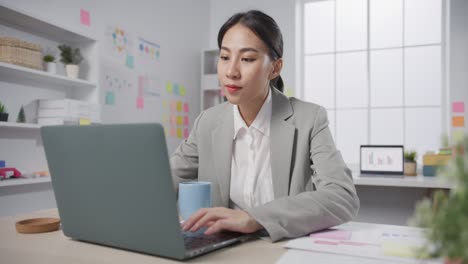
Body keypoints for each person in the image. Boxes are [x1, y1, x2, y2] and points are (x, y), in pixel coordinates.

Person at [171, 10, 359, 242]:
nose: (231, 71)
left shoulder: (309, 118)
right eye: (225, 57)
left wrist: (254, 218)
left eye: (247, 59)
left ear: (275, 67)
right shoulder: (207, 122)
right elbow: (164, 181)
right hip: (225, 250)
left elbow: (342, 197)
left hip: (284, 249)